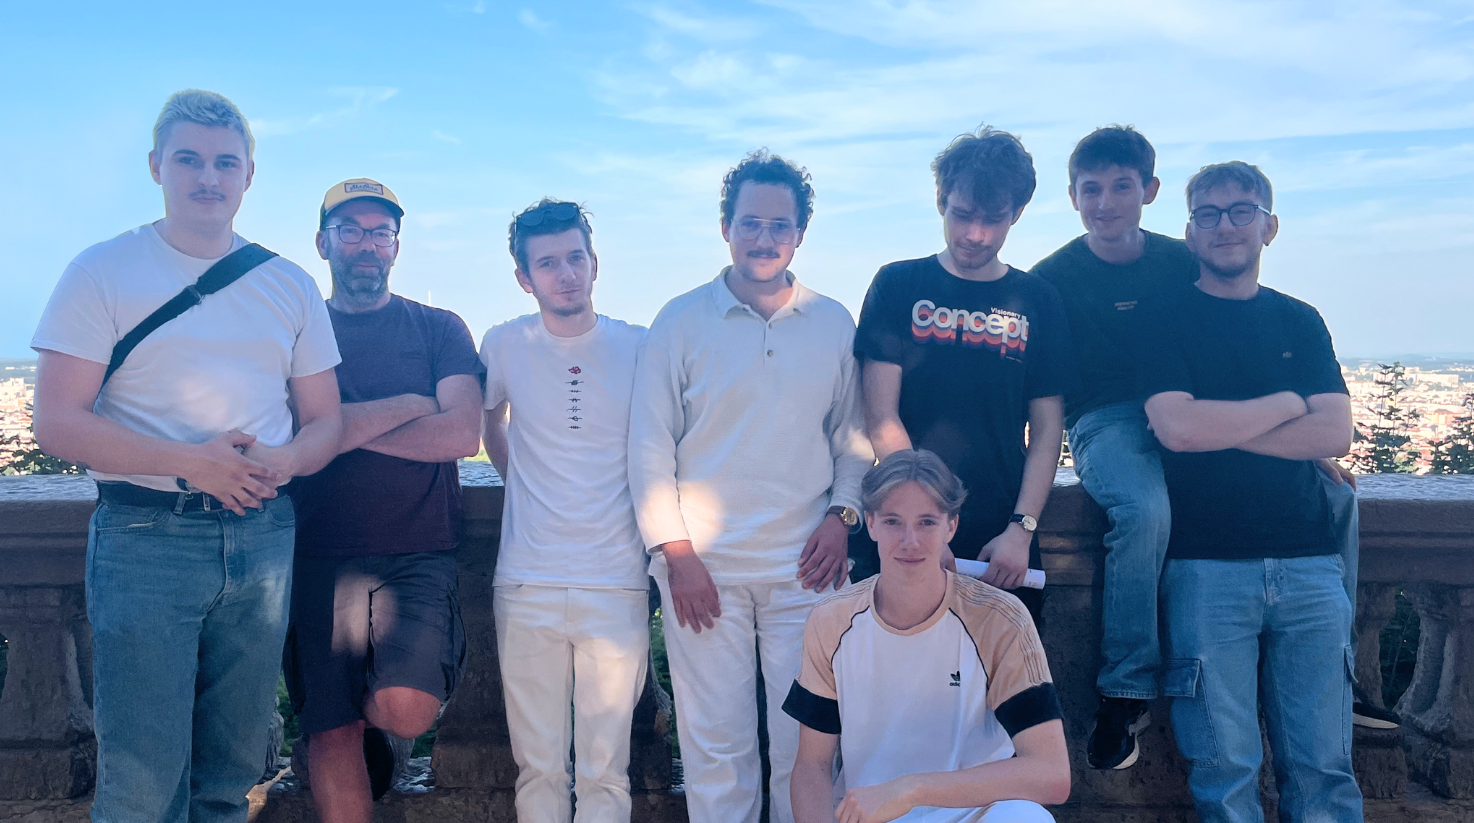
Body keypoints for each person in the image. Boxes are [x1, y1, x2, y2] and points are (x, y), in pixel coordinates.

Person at [30, 89, 343, 823]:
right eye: (189, 160)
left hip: (262, 534)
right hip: (146, 537)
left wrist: (284, 461)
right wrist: (192, 462)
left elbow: (325, 420)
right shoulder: (102, 271)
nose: (209, 176)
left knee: (230, 776)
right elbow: (57, 422)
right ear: (156, 167)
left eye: (225, 162)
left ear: (249, 175)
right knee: (142, 787)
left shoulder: (289, 283)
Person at [1031, 127, 1377, 771]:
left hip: (1192, 407)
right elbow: (1044, 389)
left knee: (1336, 498)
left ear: (1149, 191)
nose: (1106, 203)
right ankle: (1125, 687)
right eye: (1091, 189)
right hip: (1108, 419)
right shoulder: (1050, 280)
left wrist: (1304, 447)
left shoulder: (1177, 259)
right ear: (1073, 196)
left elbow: (1228, 328)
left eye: (1121, 187)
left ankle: (1340, 663)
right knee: (1144, 511)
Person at [628, 151, 874, 823]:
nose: (765, 239)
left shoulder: (833, 321)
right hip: (702, 570)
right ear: (725, 227)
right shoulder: (679, 321)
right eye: (751, 223)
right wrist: (677, 553)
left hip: (809, 571)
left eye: (780, 225)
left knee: (809, 749)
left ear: (801, 233)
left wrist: (842, 516)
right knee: (716, 750)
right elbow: (648, 447)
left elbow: (853, 438)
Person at [1142, 161, 1363, 823]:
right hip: (1204, 564)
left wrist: (1223, 428)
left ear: (1269, 226)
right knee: (1223, 774)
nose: (1225, 225)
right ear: (1190, 232)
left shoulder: (1299, 319)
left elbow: (1334, 432)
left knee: (1325, 770)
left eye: (1241, 210)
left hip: (1310, 561)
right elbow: (1177, 429)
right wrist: (1287, 404)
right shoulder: (1162, 318)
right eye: (1208, 213)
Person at [282, 179, 482, 822]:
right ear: (323, 243)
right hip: (316, 552)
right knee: (330, 729)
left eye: (380, 232)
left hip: (417, 550)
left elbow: (461, 433)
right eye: (350, 230)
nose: (366, 245)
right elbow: (288, 434)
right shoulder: (296, 331)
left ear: (396, 246)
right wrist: (411, 405)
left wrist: (337, 430)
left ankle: (383, 737)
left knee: (407, 708)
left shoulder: (439, 327)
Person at [854, 127, 1078, 621]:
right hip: (906, 533)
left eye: (992, 219)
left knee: (1004, 669)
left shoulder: (1038, 299)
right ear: (941, 200)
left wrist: (1021, 528)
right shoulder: (898, 284)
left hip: (1003, 537)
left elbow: (1047, 431)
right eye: (962, 214)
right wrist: (925, 528)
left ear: (1017, 213)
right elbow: (881, 416)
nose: (975, 234)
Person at [479, 199, 650, 823]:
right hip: (527, 581)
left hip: (617, 581)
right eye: (548, 263)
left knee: (607, 772)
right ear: (525, 278)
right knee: (538, 769)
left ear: (595, 263)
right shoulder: (504, 343)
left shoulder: (640, 346)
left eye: (576, 258)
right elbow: (488, 418)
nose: (566, 274)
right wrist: (518, 478)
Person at [786, 449, 1071, 823]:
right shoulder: (832, 620)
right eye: (893, 521)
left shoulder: (1000, 619)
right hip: (870, 817)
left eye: (926, 522)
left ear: (951, 527)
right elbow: (813, 764)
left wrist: (911, 790)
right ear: (870, 523)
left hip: (973, 814)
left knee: (1026, 819)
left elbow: (1052, 773)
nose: (910, 540)